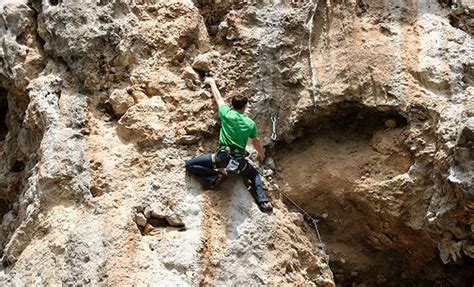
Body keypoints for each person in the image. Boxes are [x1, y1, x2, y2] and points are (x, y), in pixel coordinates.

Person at [185, 77, 273, 213]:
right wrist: (262, 155)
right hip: (239, 163)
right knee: (254, 174)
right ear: (244, 107)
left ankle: (214, 177)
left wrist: (212, 82)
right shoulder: (250, 123)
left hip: (221, 158)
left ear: (232, 105)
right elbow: (256, 142)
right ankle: (263, 201)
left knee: (190, 164)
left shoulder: (226, 113)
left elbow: (218, 98)